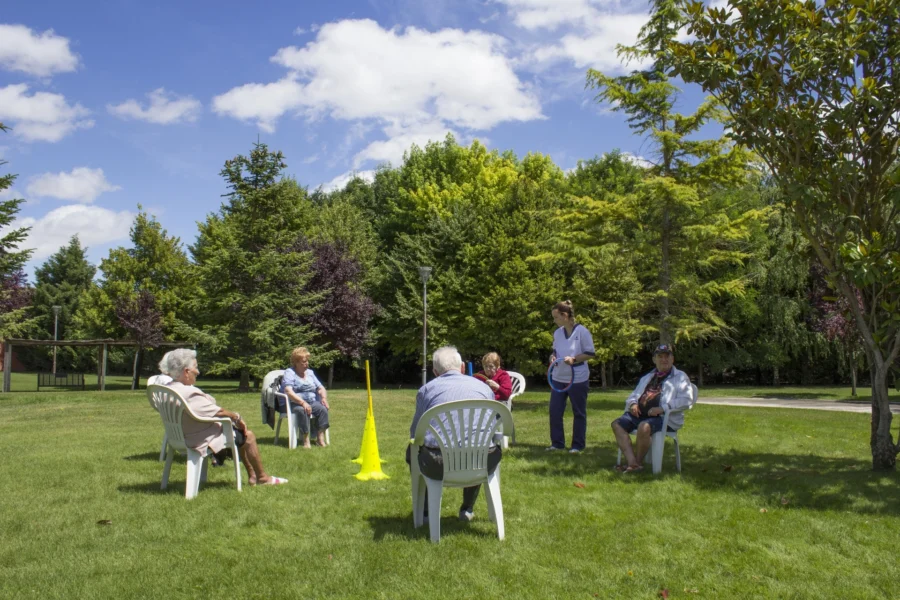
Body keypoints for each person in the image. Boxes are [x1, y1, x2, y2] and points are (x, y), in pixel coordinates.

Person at [159, 348, 287, 485]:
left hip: (178, 437)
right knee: (247, 435)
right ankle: (262, 478)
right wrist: (237, 417)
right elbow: (219, 412)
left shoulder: (166, 389)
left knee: (237, 433)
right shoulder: (188, 393)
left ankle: (252, 476)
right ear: (186, 371)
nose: (198, 371)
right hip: (198, 439)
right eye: (195, 367)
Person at [407, 346, 500, 522]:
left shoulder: (426, 391)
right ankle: (467, 509)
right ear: (463, 367)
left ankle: (425, 512)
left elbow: (415, 432)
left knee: (413, 450)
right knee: (478, 445)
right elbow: (492, 426)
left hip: (438, 464)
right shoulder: (484, 389)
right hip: (482, 462)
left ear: (435, 372)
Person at [611, 343, 693, 473]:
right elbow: (634, 394)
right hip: (641, 415)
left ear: (672, 359)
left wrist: (663, 408)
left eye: (667, 356)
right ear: (654, 359)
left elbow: (687, 400)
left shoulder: (680, 377)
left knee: (644, 427)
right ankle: (632, 462)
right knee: (617, 424)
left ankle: (636, 463)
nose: (664, 359)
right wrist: (633, 403)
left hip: (664, 418)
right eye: (660, 356)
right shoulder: (648, 377)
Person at [547, 300, 595, 453]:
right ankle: (557, 443)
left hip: (578, 378)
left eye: (556, 317)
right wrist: (553, 357)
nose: (554, 321)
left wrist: (573, 359)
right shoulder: (557, 333)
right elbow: (555, 350)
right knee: (555, 411)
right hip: (558, 377)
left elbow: (590, 353)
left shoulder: (582, 332)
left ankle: (577, 445)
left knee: (579, 412)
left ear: (565, 316)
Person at [280, 347, 330, 448]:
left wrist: (323, 398)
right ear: (296, 362)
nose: (306, 363)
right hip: (294, 403)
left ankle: (320, 439)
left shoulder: (310, 373)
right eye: (304, 361)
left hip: (311, 401)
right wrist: (303, 403)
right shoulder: (290, 373)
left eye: (307, 361)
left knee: (323, 409)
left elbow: (320, 388)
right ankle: (305, 440)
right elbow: (288, 391)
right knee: (302, 411)